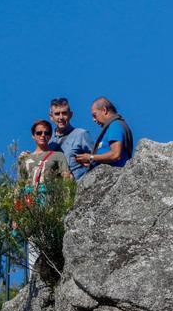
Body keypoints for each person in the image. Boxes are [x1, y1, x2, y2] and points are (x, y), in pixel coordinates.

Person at [16, 119, 72, 270]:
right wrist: (16, 214)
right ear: (33, 135)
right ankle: (33, 276)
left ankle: (48, 272)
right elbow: (20, 186)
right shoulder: (25, 159)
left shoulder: (57, 156)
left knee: (47, 237)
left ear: (51, 135)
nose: (43, 135)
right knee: (33, 240)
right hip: (30, 202)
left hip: (49, 200)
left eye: (46, 133)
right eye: (39, 133)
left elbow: (67, 180)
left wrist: (66, 205)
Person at [74, 97, 133, 169]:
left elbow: (115, 154)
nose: (94, 120)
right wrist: (92, 161)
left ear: (104, 110)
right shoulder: (112, 126)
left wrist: (91, 157)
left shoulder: (115, 125)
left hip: (112, 176)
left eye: (94, 115)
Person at [47, 97, 94, 180]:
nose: (61, 117)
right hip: (55, 188)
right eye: (57, 114)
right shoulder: (48, 140)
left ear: (70, 115)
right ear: (51, 117)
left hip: (79, 186)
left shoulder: (81, 134)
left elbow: (96, 158)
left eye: (64, 113)